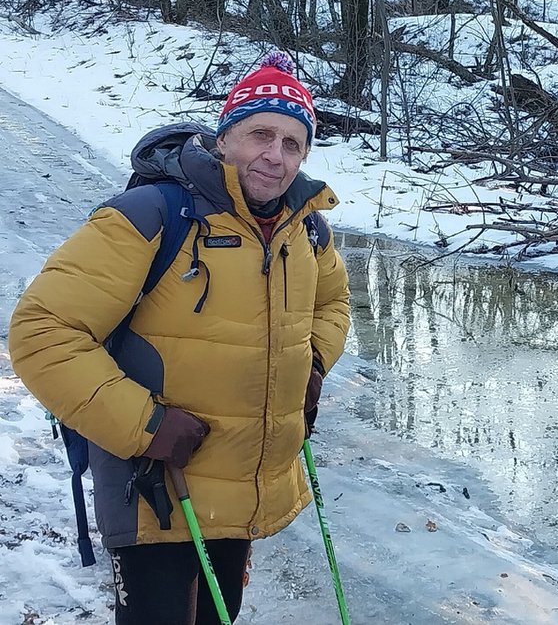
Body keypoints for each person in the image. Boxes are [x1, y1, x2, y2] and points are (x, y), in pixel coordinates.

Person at [9, 50, 351, 624]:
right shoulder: (151, 214)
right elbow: (43, 332)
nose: (276, 155)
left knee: (220, 615)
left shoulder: (306, 227)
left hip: (242, 485)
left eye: (293, 143)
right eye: (260, 135)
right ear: (224, 138)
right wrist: (145, 425)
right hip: (155, 487)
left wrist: (313, 362)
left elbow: (332, 303)